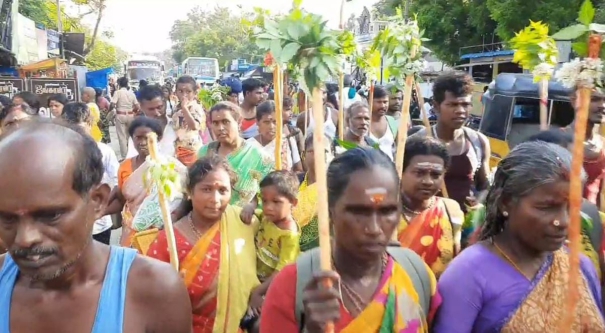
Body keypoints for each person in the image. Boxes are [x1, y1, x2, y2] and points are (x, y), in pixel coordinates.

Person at [0, 120, 192, 332]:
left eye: (50, 215)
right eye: (6, 218)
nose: (25, 238)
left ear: (98, 201)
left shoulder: (155, 290)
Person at [260, 147, 440, 332]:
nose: (374, 228)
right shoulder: (292, 285)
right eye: (359, 212)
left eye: (387, 211)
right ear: (329, 211)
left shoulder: (416, 274)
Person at [433, 141, 605, 332]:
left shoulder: (580, 267)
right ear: (506, 203)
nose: (563, 221)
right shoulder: (469, 274)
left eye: (572, 208)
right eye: (547, 207)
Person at [145, 156, 259, 333]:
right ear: (190, 192)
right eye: (206, 189)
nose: (215, 199)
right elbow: (148, 297)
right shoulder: (169, 241)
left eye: (223, 190)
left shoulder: (244, 223)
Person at [412, 71, 491, 213]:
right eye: (453, 105)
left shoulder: (478, 142)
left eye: (465, 104)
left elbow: (485, 185)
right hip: (426, 226)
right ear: (436, 106)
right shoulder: (417, 142)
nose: (460, 110)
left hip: (466, 227)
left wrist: (479, 200)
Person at [104, 117, 186, 247]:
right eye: (138, 138)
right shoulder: (125, 167)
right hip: (131, 232)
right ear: (132, 138)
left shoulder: (169, 166)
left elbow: (183, 198)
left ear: (158, 139)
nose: (142, 142)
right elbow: (122, 200)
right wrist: (98, 212)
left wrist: (172, 219)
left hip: (162, 232)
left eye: (147, 138)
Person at [398, 136, 464, 278]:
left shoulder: (451, 211)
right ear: (401, 171)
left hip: (439, 298)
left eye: (435, 175)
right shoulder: (383, 211)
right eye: (419, 173)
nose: (428, 181)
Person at [60, 102, 119, 245]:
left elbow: (118, 182)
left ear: (90, 124)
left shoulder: (104, 151)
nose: (77, 133)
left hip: (99, 226)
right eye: (71, 128)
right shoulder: (56, 153)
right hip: (67, 227)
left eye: (80, 127)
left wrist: (101, 210)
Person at [198, 102, 274, 207]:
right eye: (215, 123)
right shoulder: (204, 153)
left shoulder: (259, 157)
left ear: (239, 122)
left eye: (225, 122)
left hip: (244, 220)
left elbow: (269, 196)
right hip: (209, 217)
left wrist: (252, 207)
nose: (220, 128)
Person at [293, 134, 334, 251]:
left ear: (332, 155)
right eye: (314, 151)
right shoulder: (293, 182)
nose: (320, 155)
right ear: (303, 155)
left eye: (325, 151)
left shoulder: (337, 186)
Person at [566, 87, 605, 206]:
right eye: (594, 99)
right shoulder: (557, 141)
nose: (602, 105)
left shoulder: (603, 144)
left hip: (595, 221)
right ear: (574, 101)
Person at [247, 100, 303, 172]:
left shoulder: (287, 141)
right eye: (266, 122)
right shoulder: (249, 146)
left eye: (275, 122)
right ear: (257, 122)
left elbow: (298, 170)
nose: (271, 126)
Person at [126, 84, 177, 158]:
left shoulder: (176, 126)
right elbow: (132, 159)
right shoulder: (137, 134)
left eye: (160, 107)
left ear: (165, 103)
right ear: (142, 107)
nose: (157, 113)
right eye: (151, 109)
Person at [173, 75, 205, 166]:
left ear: (195, 93)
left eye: (188, 91)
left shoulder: (195, 107)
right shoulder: (176, 108)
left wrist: (185, 109)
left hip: (191, 149)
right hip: (178, 148)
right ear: (175, 92)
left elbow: (194, 126)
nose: (184, 95)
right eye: (180, 91)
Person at [111, 76, 140, 158]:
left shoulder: (118, 92)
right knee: (130, 136)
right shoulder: (131, 93)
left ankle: (125, 156)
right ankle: (132, 154)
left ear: (119, 84)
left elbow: (113, 104)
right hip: (130, 115)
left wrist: (111, 109)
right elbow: (137, 107)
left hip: (120, 115)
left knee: (122, 136)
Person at [369, 85, 399, 160]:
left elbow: (399, 148)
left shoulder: (391, 122)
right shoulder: (363, 122)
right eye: (379, 102)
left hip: (389, 169)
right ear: (369, 101)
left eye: (385, 102)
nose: (383, 106)